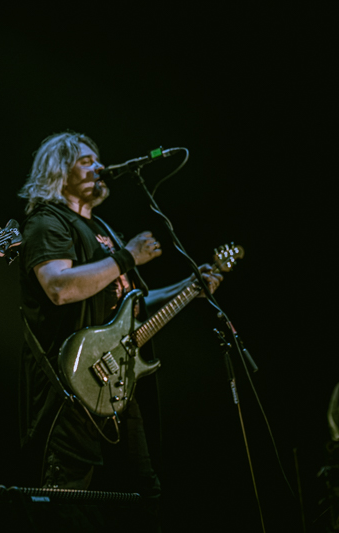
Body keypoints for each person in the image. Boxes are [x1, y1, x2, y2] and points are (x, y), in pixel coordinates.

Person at [16, 132, 222, 502]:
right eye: (86, 161)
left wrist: (188, 288)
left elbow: (131, 304)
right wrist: (127, 257)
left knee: (142, 496)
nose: (99, 168)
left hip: (118, 383)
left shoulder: (103, 230)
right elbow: (59, 288)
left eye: (98, 160)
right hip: (72, 386)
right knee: (65, 503)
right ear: (59, 170)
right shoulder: (48, 223)